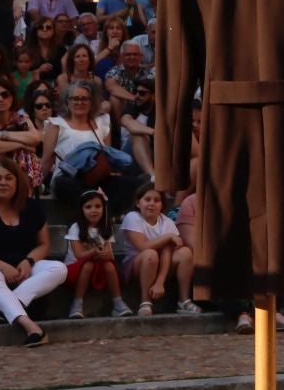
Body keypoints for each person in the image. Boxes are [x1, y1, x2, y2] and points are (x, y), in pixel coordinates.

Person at [0, 157, 63, 347]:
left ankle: (4, 307)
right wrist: (3, 267)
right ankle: (31, 327)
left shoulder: (32, 207)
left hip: (22, 267)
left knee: (59, 268)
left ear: (17, 181)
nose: (3, 183)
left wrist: (29, 261)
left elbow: (44, 245)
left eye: (8, 178)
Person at [43, 83, 135, 195]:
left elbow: (107, 155)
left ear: (92, 102)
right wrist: (35, 186)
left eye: (85, 99)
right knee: (66, 185)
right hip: (67, 177)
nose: (80, 102)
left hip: (95, 176)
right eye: (75, 98)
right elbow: (46, 161)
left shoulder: (102, 123)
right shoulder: (56, 124)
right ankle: (90, 196)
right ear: (67, 102)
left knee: (131, 184)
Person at [120, 182, 190, 316]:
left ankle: (184, 300)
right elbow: (142, 247)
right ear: (138, 203)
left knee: (185, 253)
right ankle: (145, 302)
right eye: (147, 199)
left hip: (162, 264)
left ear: (162, 205)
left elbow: (167, 251)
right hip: (137, 265)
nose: (151, 203)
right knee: (150, 253)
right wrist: (168, 236)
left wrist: (160, 282)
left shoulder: (167, 222)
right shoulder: (132, 217)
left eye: (157, 200)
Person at [64, 188, 130, 318]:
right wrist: (96, 250)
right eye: (88, 207)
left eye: (98, 206)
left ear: (103, 208)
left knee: (109, 265)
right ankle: (77, 304)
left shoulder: (107, 228)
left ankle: (118, 303)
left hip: (98, 266)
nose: (93, 210)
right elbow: (79, 255)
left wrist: (102, 253)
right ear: (81, 210)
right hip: (75, 268)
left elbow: (109, 255)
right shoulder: (76, 227)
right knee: (88, 264)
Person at [0, 78, 47, 192]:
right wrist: (21, 145)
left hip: (17, 161)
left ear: (11, 98)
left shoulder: (20, 118)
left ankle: (25, 198)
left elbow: (36, 138)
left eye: (5, 95)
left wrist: (2, 134)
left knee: (24, 155)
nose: (1, 99)